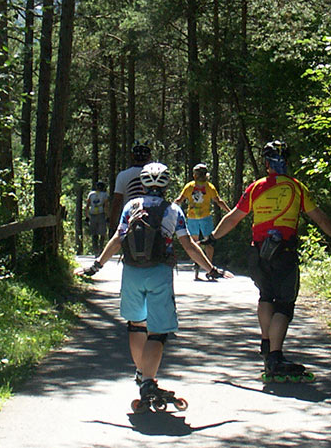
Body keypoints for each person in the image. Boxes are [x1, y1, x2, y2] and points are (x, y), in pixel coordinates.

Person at [201, 140, 331, 380]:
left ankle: (266, 344)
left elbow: (233, 218)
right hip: (283, 252)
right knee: (284, 303)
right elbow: (321, 219)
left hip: (258, 252)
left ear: (266, 164)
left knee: (266, 296)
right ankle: (275, 355)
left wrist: (212, 237)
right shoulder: (296, 188)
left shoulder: (256, 187)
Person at [74, 163, 228, 403]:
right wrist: (211, 269)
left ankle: (141, 373)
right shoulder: (173, 210)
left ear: (143, 183)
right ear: (166, 184)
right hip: (160, 273)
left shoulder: (130, 206)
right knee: (157, 332)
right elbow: (188, 246)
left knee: (136, 325)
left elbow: (117, 239)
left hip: (132, 272)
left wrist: (96, 266)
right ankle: (148, 381)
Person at [174, 163, 231, 281]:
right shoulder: (209, 187)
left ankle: (198, 267)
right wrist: (230, 212)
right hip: (205, 218)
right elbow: (218, 201)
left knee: (194, 243)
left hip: (192, 218)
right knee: (209, 242)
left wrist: (170, 210)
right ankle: (209, 267)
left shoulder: (189, 186)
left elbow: (180, 200)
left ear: (194, 175)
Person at [109, 141, 152, 234]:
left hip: (129, 221)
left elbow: (117, 201)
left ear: (132, 156)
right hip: (151, 221)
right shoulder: (155, 175)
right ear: (149, 157)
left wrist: (112, 225)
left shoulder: (122, 176)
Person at [86, 181, 109, 255]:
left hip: (92, 214)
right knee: (102, 233)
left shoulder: (91, 194)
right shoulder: (105, 195)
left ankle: (95, 250)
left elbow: (87, 205)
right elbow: (106, 206)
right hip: (101, 214)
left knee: (94, 233)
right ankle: (101, 249)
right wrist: (108, 216)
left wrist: (87, 216)